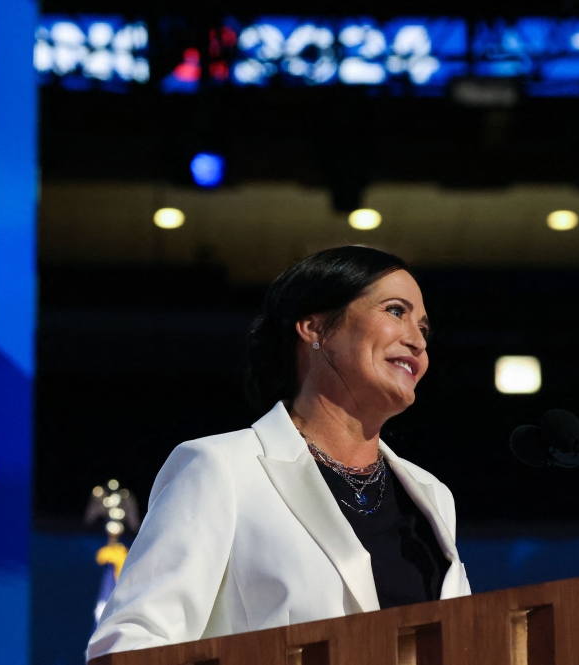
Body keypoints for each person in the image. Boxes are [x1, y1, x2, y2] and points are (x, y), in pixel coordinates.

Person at [88, 246, 470, 659]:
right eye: (396, 311)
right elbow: (130, 645)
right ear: (314, 326)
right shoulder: (222, 469)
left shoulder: (432, 495)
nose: (416, 340)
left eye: (425, 329)